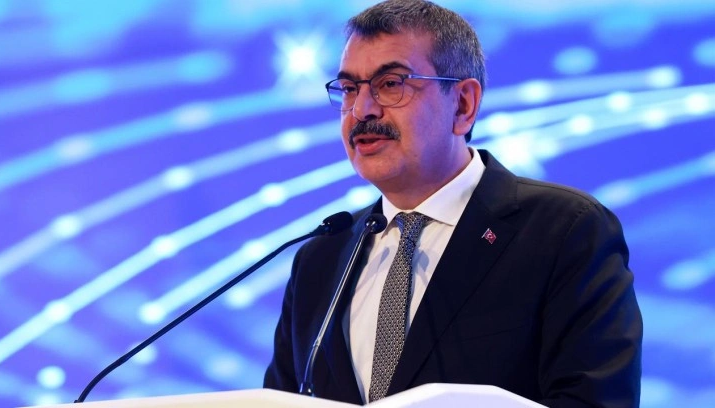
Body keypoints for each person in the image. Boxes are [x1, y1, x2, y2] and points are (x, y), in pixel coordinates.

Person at [264, 1, 643, 407]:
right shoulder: (320, 258)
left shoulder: (564, 231)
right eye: (349, 89)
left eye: (390, 84)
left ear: (463, 104)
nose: (362, 110)